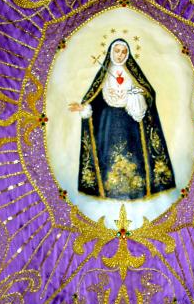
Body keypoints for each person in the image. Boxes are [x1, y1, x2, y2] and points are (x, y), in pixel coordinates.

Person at [69, 38, 175, 200]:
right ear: (111, 52)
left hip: (130, 122)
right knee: (107, 155)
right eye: (117, 51)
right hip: (109, 122)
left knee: (135, 152)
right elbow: (94, 99)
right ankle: (109, 189)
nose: (120, 55)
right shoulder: (104, 75)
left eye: (124, 52)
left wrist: (135, 96)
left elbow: (149, 93)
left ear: (128, 54)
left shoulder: (133, 74)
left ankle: (137, 188)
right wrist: (84, 107)